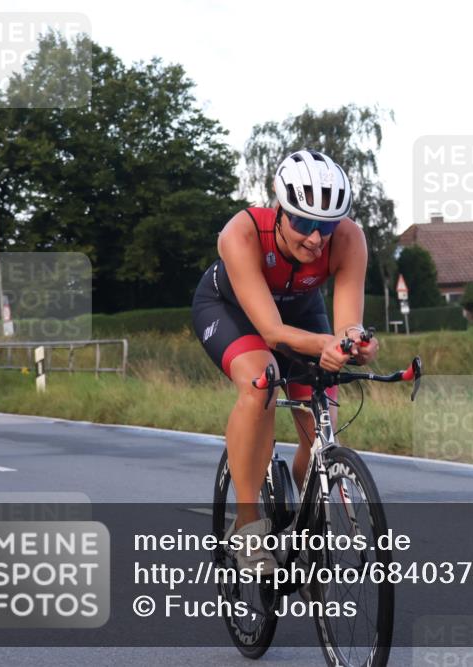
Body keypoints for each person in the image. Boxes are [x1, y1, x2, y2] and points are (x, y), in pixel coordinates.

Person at [191, 150, 379, 574]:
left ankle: (300, 517)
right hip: (230, 310)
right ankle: (247, 526)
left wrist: (355, 342)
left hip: (301, 312)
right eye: (304, 223)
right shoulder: (241, 233)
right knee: (262, 381)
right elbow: (272, 334)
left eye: (326, 226)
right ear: (279, 211)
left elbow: (349, 324)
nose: (315, 238)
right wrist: (327, 344)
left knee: (323, 426)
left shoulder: (349, 240)